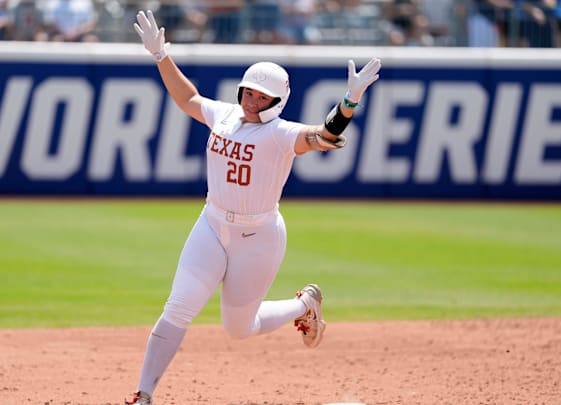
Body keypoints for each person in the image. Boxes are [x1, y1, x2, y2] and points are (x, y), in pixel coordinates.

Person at [125, 10, 381, 405]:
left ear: (278, 102)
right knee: (177, 308)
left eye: (262, 96)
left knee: (239, 329)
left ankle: (304, 304)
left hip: (258, 236)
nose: (251, 100)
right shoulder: (225, 116)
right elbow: (188, 98)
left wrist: (348, 102)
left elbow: (324, 135)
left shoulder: (282, 134)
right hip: (210, 226)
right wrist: (161, 57)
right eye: (248, 92)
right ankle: (143, 394)